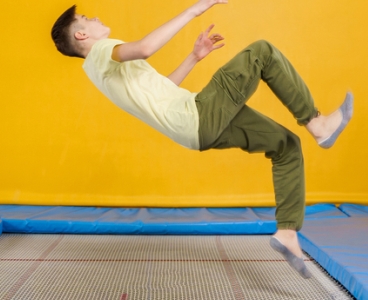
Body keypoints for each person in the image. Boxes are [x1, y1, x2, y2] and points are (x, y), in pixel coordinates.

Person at [50, 0, 352, 279]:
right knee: (262, 51)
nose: (95, 17)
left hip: (194, 129)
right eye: (86, 19)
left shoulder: (103, 71)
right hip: (197, 115)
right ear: (80, 36)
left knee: (286, 145)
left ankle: (286, 232)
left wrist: (194, 57)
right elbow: (143, 48)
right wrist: (194, 10)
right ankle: (317, 123)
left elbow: (163, 89)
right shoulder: (102, 50)